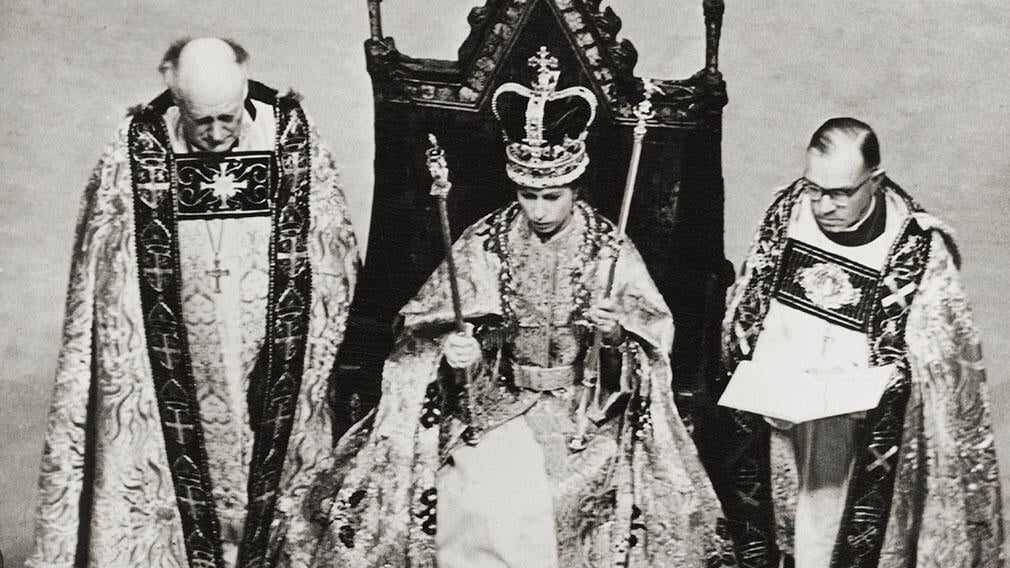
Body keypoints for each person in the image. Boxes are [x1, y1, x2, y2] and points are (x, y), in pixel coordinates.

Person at [298, 49, 734, 567]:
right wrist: (454, 351)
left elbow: (653, 344)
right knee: (473, 494)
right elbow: (426, 323)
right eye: (528, 195)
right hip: (496, 404)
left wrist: (616, 338)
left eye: (553, 196)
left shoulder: (608, 249)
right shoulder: (487, 240)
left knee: (555, 498)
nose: (539, 210)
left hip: (583, 413)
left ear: (575, 185)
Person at [27, 37, 359, 568]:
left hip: (272, 356)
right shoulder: (136, 147)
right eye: (199, 121)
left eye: (226, 118)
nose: (215, 133)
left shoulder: (291, 138)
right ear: (172, 94)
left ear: (245, 84)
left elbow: (332, 252)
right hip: (172, 359)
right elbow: (104, 270)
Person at [706, 117, 1004, 566]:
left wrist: (882, 377)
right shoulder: (789, 212)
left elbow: (942, 362)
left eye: (841, 193)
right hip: (782, 418)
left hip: (863, 432)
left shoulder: (917, 248)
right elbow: (747, 307)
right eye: (815, 188)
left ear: (875, 181)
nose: (824, 205)